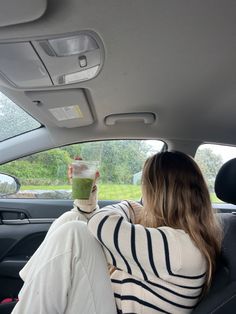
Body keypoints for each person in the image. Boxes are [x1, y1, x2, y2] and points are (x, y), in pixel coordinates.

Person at [11, 151, 222, 314]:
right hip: (112, 304)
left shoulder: (180, 248)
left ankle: (28, 300)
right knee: (72, 219)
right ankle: (28, 298)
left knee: (75, 231)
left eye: (145, 187)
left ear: (160, 194)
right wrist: (88, 195)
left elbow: (100, 225)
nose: (142, 195)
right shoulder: (173, 238)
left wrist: (129, 207)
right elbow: (102, 225)